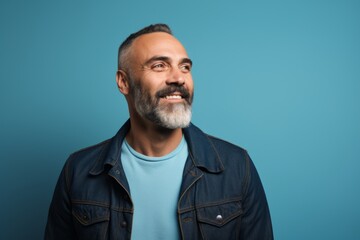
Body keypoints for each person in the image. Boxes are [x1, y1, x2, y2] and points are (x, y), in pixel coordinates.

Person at [44, 23, 273, 240]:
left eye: (185, 67)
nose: (178, 78)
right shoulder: (78, 171)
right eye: (159, 65)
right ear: (124, 82)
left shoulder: (236, 166)